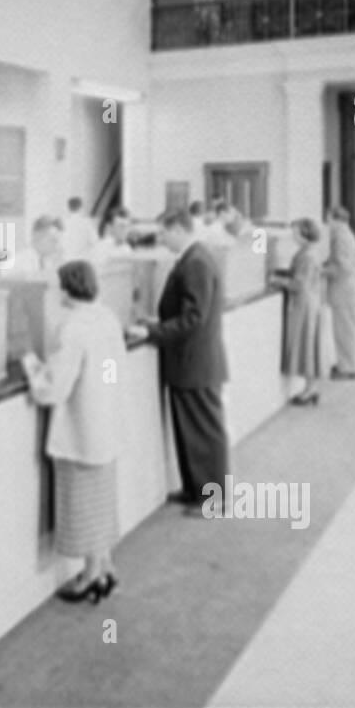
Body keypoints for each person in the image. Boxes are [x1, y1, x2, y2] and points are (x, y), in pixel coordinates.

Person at [25, 261, 127, 603]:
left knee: (83, 506)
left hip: (81, 431)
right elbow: (112, 371)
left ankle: (90, 575)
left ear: (66, 290)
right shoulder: (107, 318)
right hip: (104, 424)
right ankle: (105, 567)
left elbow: (53, 390)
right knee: (100, 503)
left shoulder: (71, 328)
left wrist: (32, 367)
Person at [143, 210, 230, 513]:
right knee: (191, 433)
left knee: (204, 433)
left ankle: (212, 499)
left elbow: (194, 317)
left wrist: (153, 331)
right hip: (192, 361)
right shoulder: (195, 257)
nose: (161, 238)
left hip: (195, 362)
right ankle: (196, 489)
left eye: (164, 232)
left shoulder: (195, 262)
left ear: (179, 228)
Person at [272, 218, 327, 404]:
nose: (293, 236)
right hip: (310, 302)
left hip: (304, 305)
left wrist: (277, 281)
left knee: (306, 346)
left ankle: (310, 390)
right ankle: (310, 388)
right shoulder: (309, 252)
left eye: (295, 233)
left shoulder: (307, 255)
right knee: (309, 345)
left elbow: (299, 283)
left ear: (305, 234)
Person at [323, 206, 355, 379]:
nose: (326, 223)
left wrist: (320, 270)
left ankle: (347, 368)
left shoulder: (341, 238)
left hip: (343, 290)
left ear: (335, 219)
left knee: (344, 331)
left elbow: (342, 267)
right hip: (347, 289)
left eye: (328, 219)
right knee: (347, 330)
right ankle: (347, 364)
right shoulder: (346, 235)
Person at [2, 215, 64, 279]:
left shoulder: (47, 264)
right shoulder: (17, 264)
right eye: (53, 241)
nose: (56, 246)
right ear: (37, 237)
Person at [61, 196, 97, 262]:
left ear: (69, 208)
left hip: (68, 260)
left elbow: (62, 245)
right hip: (84, 260)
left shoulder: (64, 223)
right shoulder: (87, 222)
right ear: (81, 208)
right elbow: (94, 241)